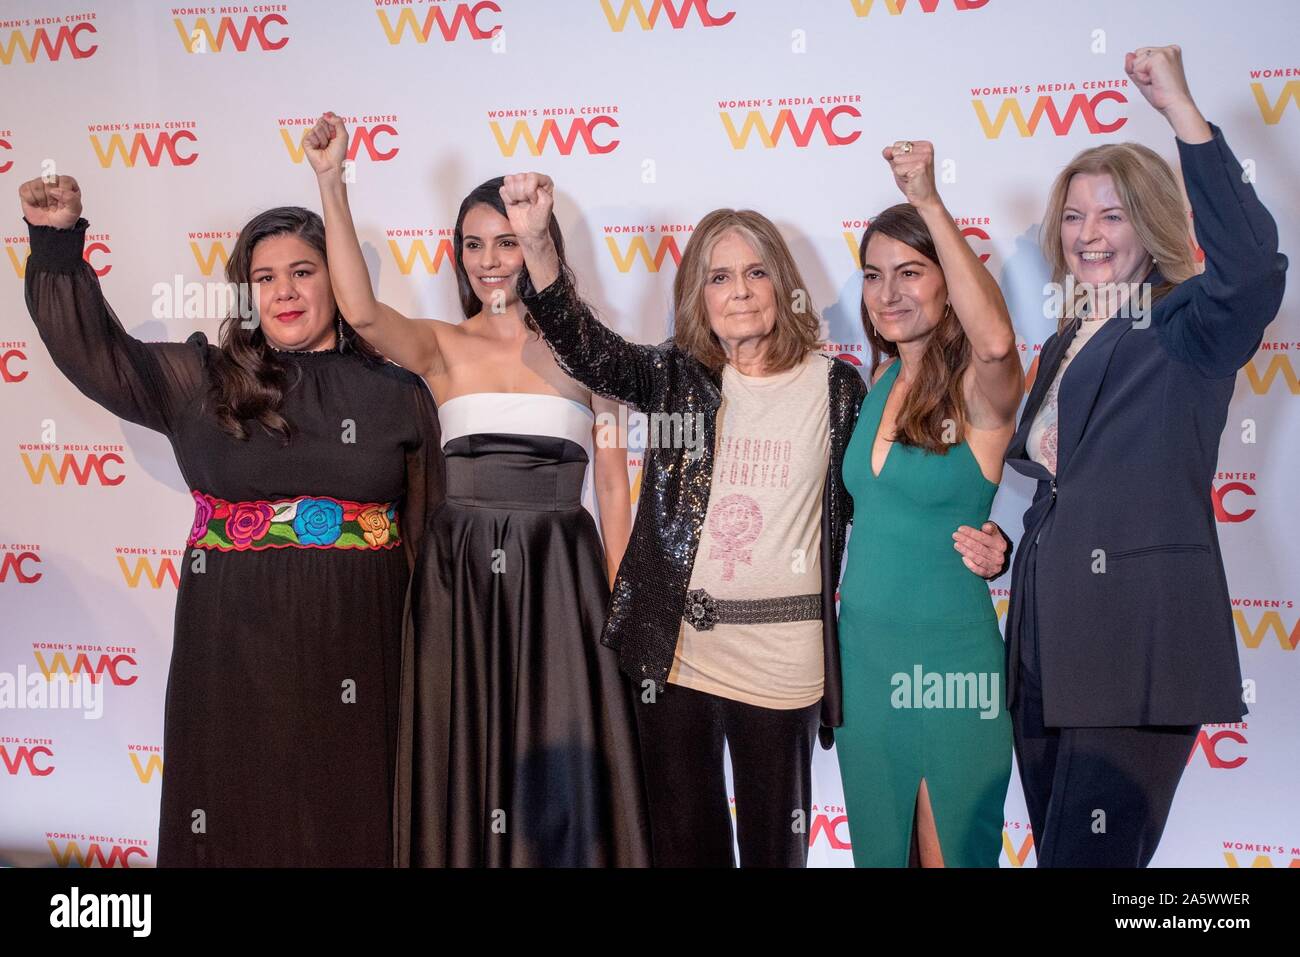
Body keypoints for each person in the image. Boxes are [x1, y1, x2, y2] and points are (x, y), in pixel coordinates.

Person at [500, 172, 1011, 866]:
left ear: (783, 284)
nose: (739, 289)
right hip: (676, 656)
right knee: (686, 848)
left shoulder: (838, 388)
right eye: (718, 277)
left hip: (787, 663)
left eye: (756, 271)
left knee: (779, 851)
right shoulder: (675, 377)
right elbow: (591, 350)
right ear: (696, 296)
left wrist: (993, 537)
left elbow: (895, 498)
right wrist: (535, 242)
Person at [20, 177, 443, 867]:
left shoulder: (397, 392)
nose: (285, 292)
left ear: (337, 276)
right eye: (266, 277)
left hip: (362, 648)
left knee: (352, 813)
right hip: (232, 647)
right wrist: (58, 242)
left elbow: (428, 538)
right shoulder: (205, 379)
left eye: (303, 272)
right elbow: (95, 353)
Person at [303, 113, 649, 866]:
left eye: (509, 240)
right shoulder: (441, 344)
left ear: (536, 245)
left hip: (562, 582)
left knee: (558, 776)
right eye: (475, 244)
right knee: (466, 756)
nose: (492, 261)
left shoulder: (592, 357)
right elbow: (359, 314)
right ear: (458, 256)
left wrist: (625, 616)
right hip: (458, 581)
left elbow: (617, 497)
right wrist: (332, 183)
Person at [1004, 45, 1287, 867]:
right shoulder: (1063, 338)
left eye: (1112, 215)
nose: (1088, 234)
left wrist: (1180, 114)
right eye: (1074, 216)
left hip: (1134, 649)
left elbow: (1251, 271)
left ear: (1151, 222)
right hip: (1044, 648)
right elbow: (1067, 482)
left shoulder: (1185, 324)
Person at [835, 140, 1023, 868]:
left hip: (951, 664)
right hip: (866, 664)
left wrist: (929, 202)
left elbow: (999, 340)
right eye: (875, 276)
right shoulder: (875, 383)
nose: (890, 293)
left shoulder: (979, 391)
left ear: (950, 281)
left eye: (911, 272)